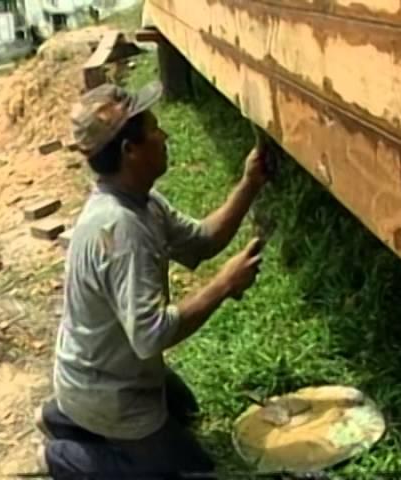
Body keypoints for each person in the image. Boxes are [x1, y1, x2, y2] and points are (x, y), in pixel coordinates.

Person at [36, 81, 268, 479]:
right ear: (130, 151)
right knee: (193, 473)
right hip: (108, 387)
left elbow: (201, 241)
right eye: (154, 130)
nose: (165, 135)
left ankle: (63, 414)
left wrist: (250, 183)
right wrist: (224, 285)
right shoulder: (120, 230)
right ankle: (62, 456)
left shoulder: (140, 200)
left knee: (184, 409)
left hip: (105, 372)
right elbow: (151, 335)